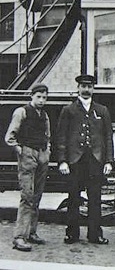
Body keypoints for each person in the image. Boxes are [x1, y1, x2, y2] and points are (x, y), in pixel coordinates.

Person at [56, 75, 113, 245]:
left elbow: (108, 137)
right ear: (78, 88)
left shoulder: (102, 110)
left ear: (94, 88)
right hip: (75, 160)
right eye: (83, 86)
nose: (86, 89)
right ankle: (72, 233)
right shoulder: (69, 110)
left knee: (95, 198)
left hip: (95, 160)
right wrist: (62, 161)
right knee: (73, 197)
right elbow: (61, 137)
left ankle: (95, 234)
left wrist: (109, 161)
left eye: (89, 86)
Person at [5, 83, 50, 251]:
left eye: (44, 97)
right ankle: (19, 237)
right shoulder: (21, 112)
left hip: (41, 156)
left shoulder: (44, 115)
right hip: (28, 156)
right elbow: (10, 137)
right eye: (38, 97)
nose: (41, 100)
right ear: (32, 96)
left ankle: (31, 232)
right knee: (27, 196)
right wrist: (20, 150)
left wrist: (47, 152)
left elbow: (48, 135)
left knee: (37, 196)